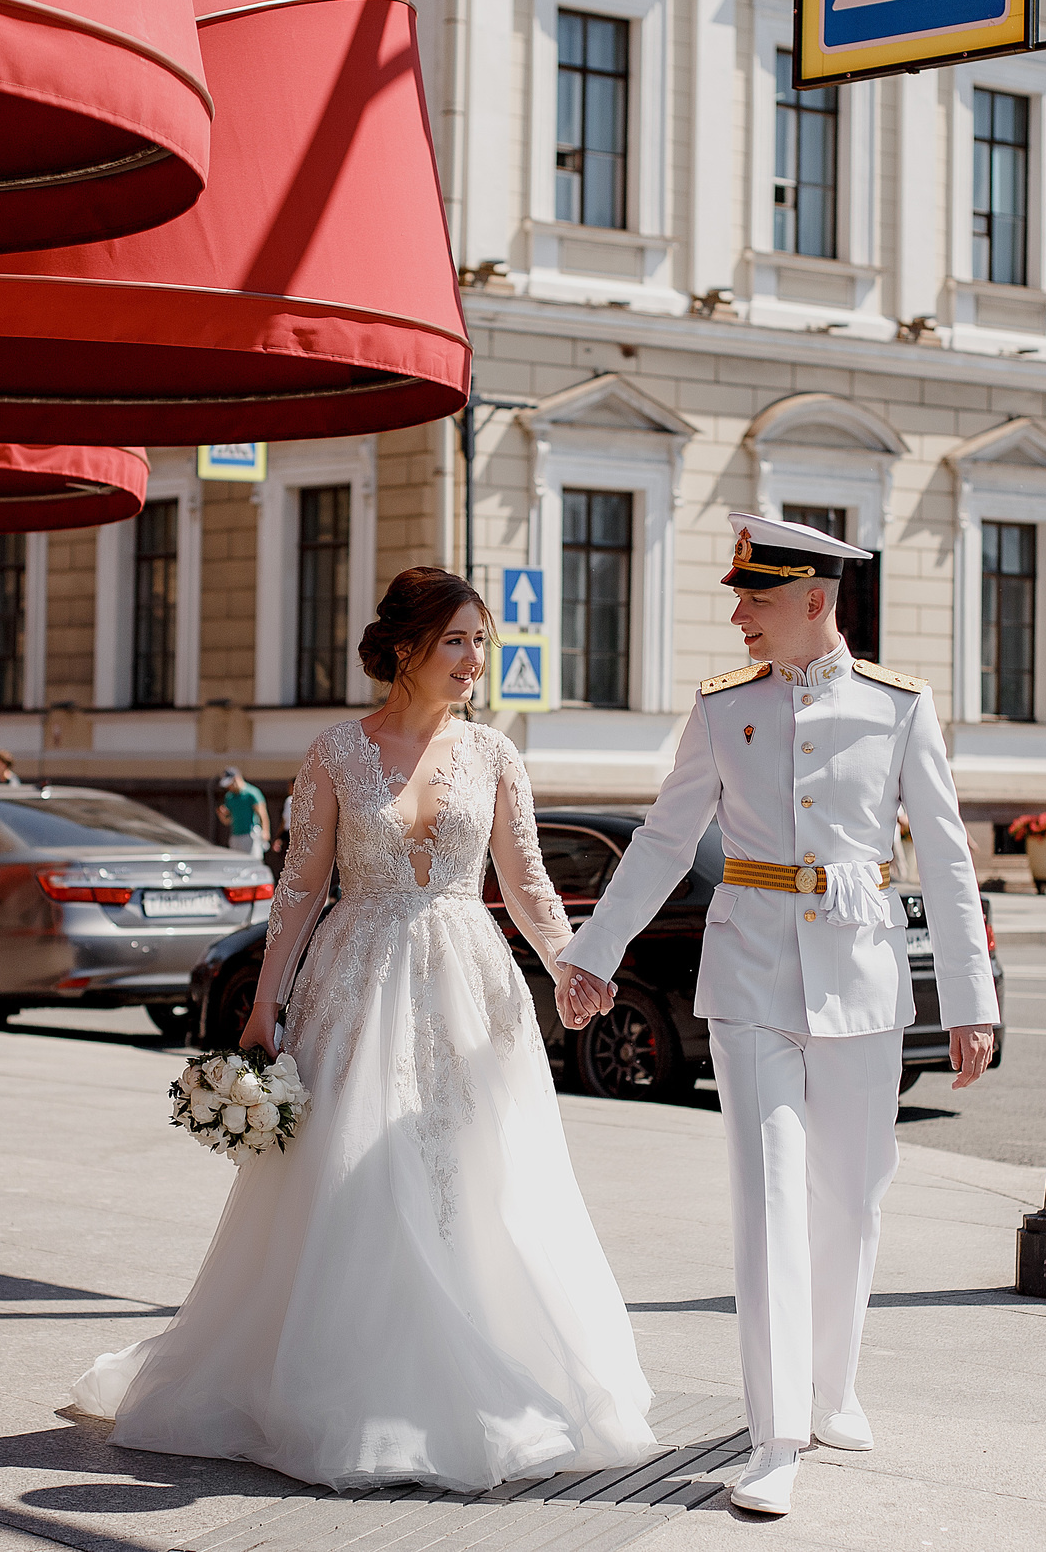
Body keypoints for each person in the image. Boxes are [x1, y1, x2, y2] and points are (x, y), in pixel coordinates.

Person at [73, 567, 657, 1492]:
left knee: (471, 1177)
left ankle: (479, 1377)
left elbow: (525, 881)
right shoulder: (338, 752)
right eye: (458, 640)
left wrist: (572, 967)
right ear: (408, 647)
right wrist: (264, 1003)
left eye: (481, 643)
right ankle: (340, 1388)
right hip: (358, 982)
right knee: (355, 1178)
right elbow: (301, 886)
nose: (474, 660)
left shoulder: (497, 755)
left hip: (471, 989)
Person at [558, 512, 997, 1517]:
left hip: (863, 977)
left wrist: (968, 1001)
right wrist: (594, 951)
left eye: (754, 600)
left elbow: (949, 858)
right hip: (751, 974)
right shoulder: (721, 711)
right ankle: (775, 1435)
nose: (737, 617)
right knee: (766, 1205)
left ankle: (834, 1387)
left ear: (812, 602)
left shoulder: (897, 708)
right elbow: (666, 843)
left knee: (852, 1197)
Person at [214, 766, 269, 859]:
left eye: (230, 783)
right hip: (235, 835)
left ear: (236, 779)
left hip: (250, 834)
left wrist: (265, 831)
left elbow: (262, 813)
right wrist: (221, 815)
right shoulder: (229, 797)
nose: (228, 787)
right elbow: (228, 821)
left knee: (253, 861)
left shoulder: (251, 793)